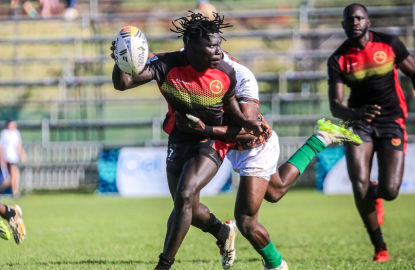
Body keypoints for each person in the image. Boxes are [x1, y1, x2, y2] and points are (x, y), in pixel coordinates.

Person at [175, 50, 362, 270]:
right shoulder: (193, 58)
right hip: (235, 148)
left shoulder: (238, 75)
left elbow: (248, 130)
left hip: (255, 146)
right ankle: (320, 138)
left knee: (246, 221)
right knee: (275, 191)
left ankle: (276, 265)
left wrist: (205, 129)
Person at [111, 12, 269, 270]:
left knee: (185, 194)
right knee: (187, 207)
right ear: (192, 46)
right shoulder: (166, 64)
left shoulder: (226, 73)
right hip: (180, 137)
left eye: (219, 44)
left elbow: (234, 112)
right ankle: (222, 231)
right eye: (212, 45)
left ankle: (163, 265)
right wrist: (122, 59)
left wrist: (248, 123)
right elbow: (123, 83)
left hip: (211, 139)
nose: (219, 50)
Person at [327, 3, 415, 262]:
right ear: (344, 25)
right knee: (359, 186)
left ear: (368, 22)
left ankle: (377, 191)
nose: (355, 22)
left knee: (390, 191)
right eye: (350, 19)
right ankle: (379, 246)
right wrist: (357, 114)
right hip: (359, 122)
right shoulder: (338, 58)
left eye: (360, 18)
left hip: (392, 121)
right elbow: (336, 106)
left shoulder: (390, 43)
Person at [0, 119, 27, 198]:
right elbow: (1, 147)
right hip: (7, 158)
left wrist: (23, 155)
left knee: (14, 175)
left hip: (14, 158)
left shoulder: (16, 133)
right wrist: (1, 157)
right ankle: (15, 192)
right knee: (10, 178)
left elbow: (18, 146)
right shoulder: (4, 133)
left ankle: (15, 192)